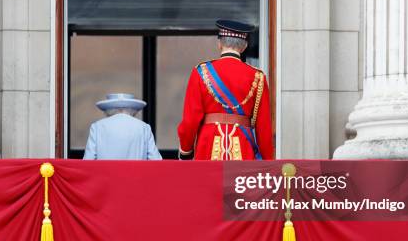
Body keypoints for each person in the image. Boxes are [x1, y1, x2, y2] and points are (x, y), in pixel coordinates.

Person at [177, 20, 273, 160]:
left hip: (208, 148)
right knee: (239, 182)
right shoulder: (258, 77)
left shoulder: (201, 71)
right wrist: (268, 161)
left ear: (219, 44)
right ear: (244, 46)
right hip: (243, 148)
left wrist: (186, 150)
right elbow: (263, 129)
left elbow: (190, 121)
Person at [83, 93, 162, 160]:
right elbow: (156, 160)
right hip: (136, 178)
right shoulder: (144, 128)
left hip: (105, 178)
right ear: (133, 109)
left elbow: (88, 160)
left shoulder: (97, 127)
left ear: (107, 109)